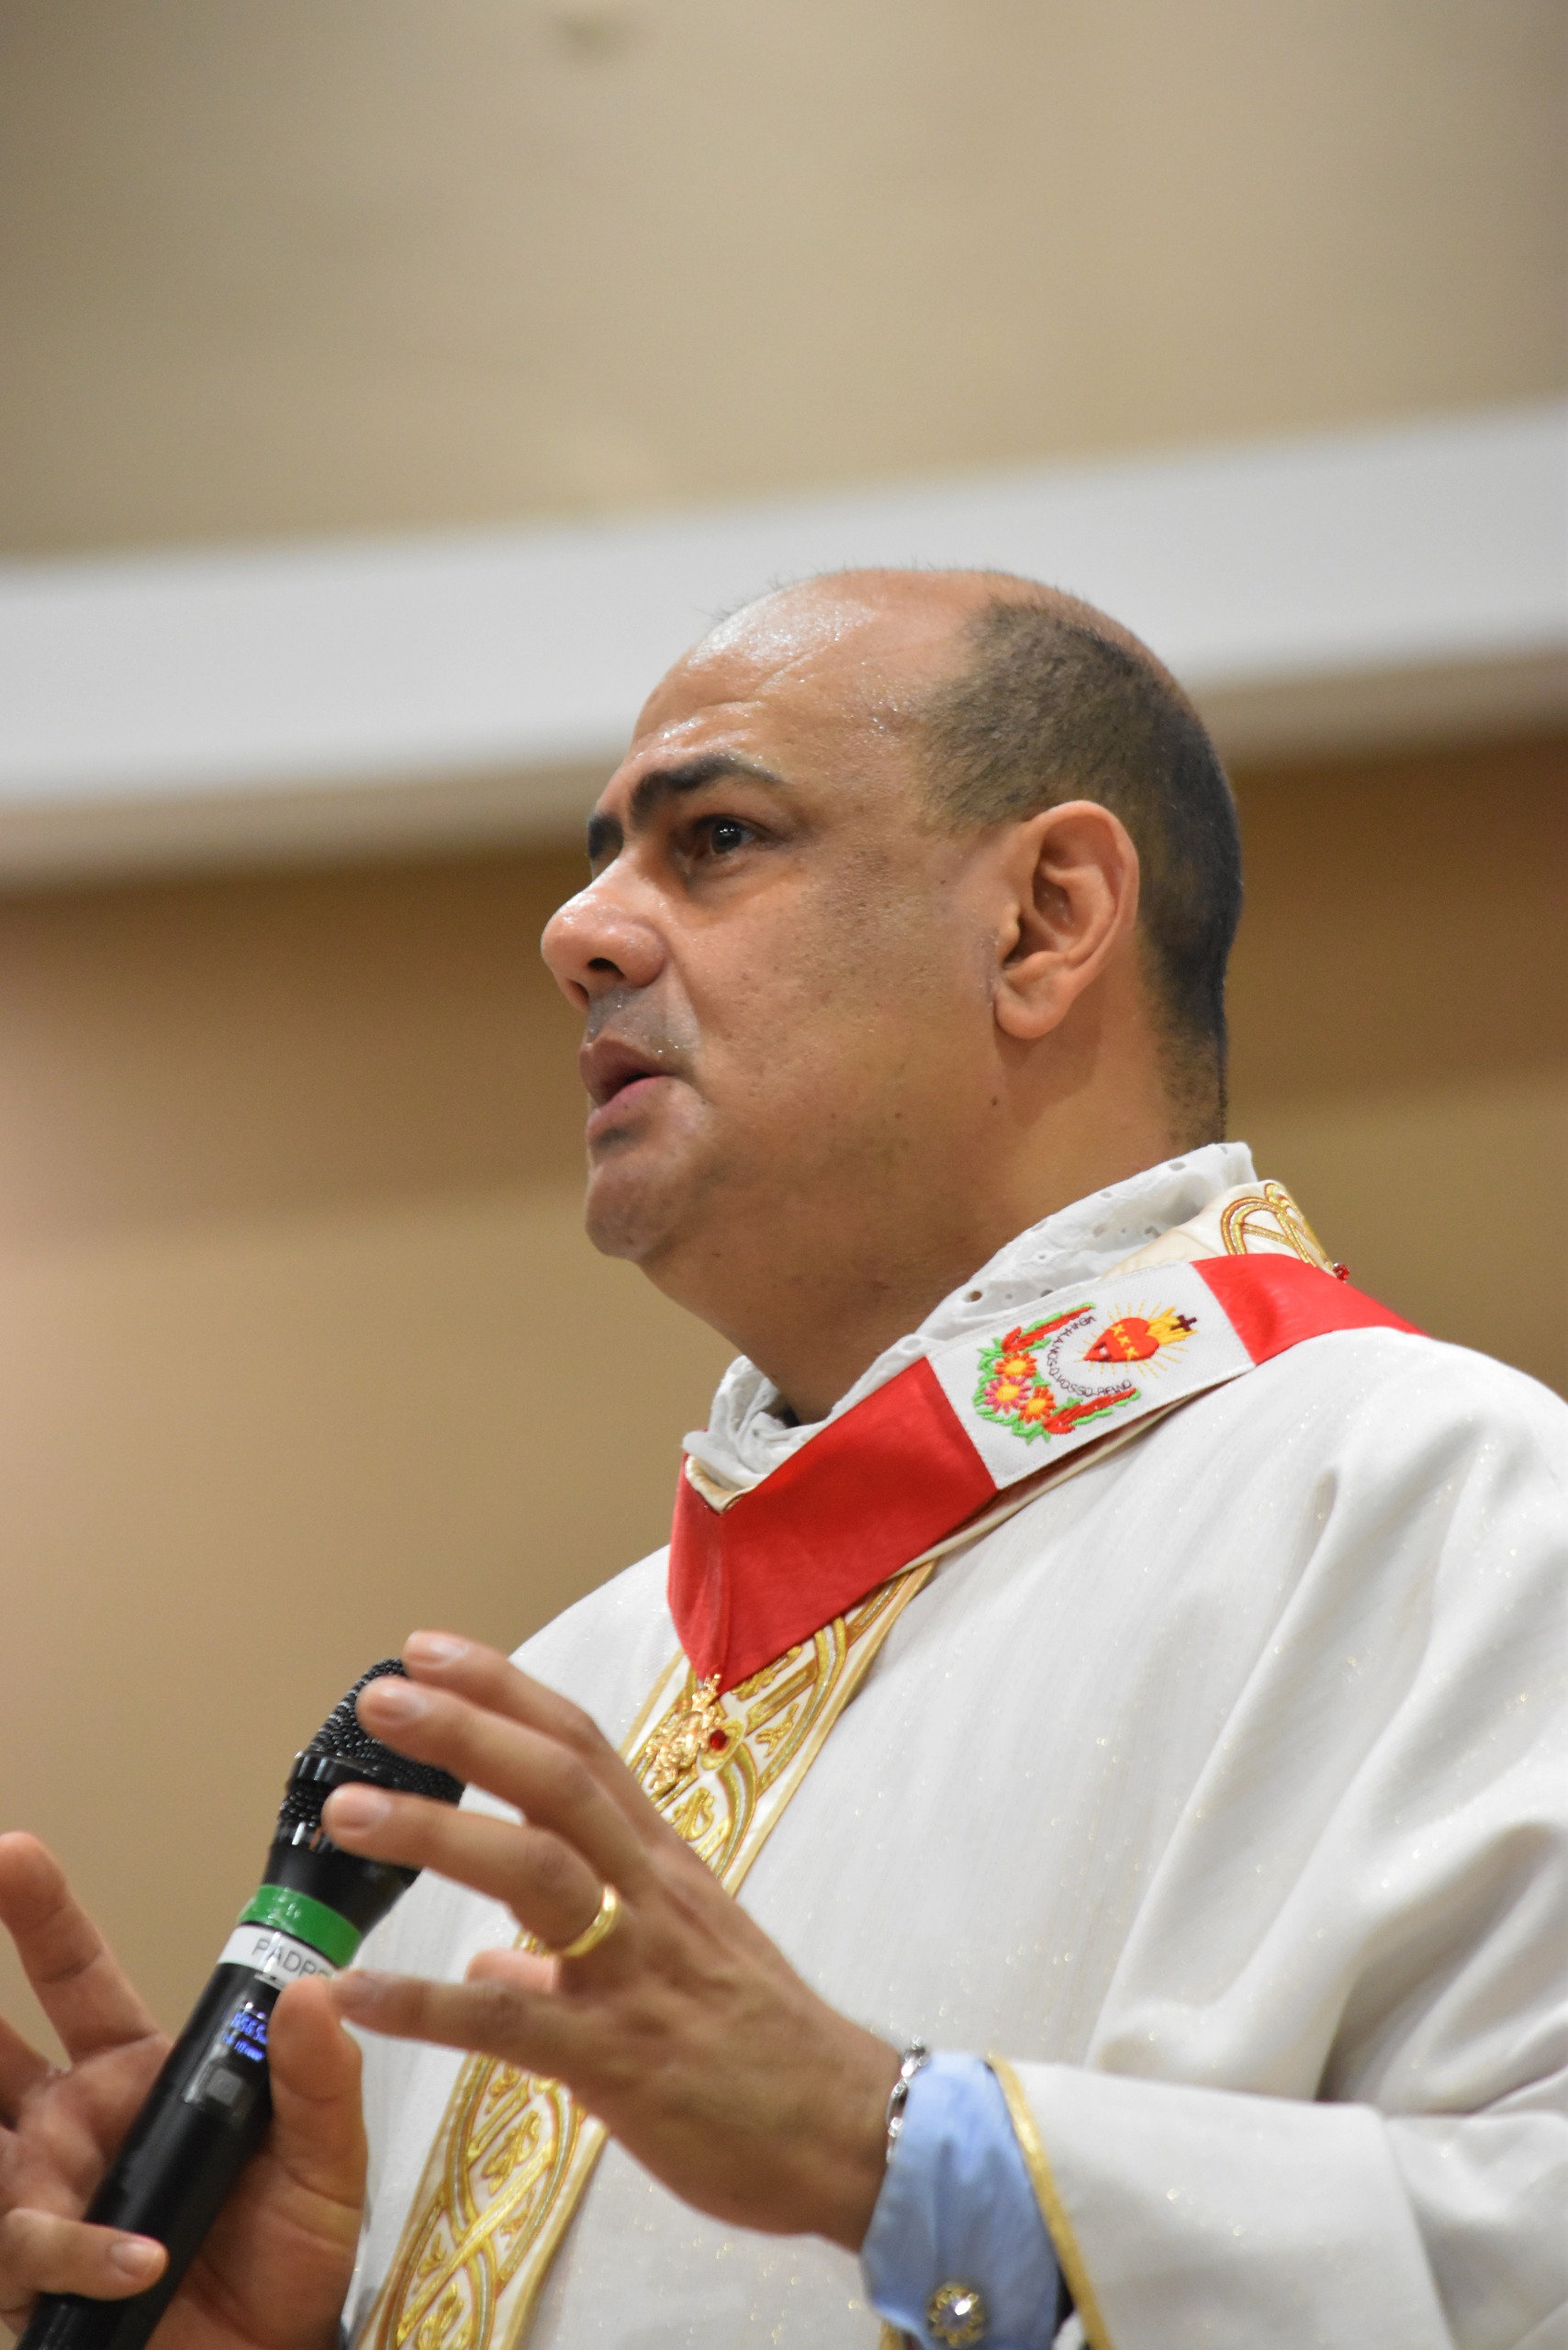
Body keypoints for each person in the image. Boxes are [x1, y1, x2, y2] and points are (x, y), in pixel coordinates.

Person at [0, 572, 1562, 2350]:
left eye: (717, 838)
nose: (577, 930)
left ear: (1044, 920)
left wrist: (889, 2150)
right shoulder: (557, 1715)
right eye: (603, 856)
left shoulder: (1435, 1504)